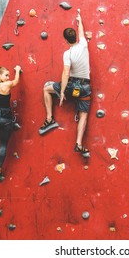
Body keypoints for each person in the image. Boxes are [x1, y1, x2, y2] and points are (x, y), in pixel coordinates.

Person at [39, 9, 91, 158]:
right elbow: (81, 30)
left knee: (46, 89)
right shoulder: (83, 44)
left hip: (72, 85)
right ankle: (79, 144)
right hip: (85, 88)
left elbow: (66, 73)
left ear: (66, 41)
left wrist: (62, 92)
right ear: (75, 37)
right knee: (83, 116)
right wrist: (79, 19)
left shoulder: (67, 54)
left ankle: (49, 118)